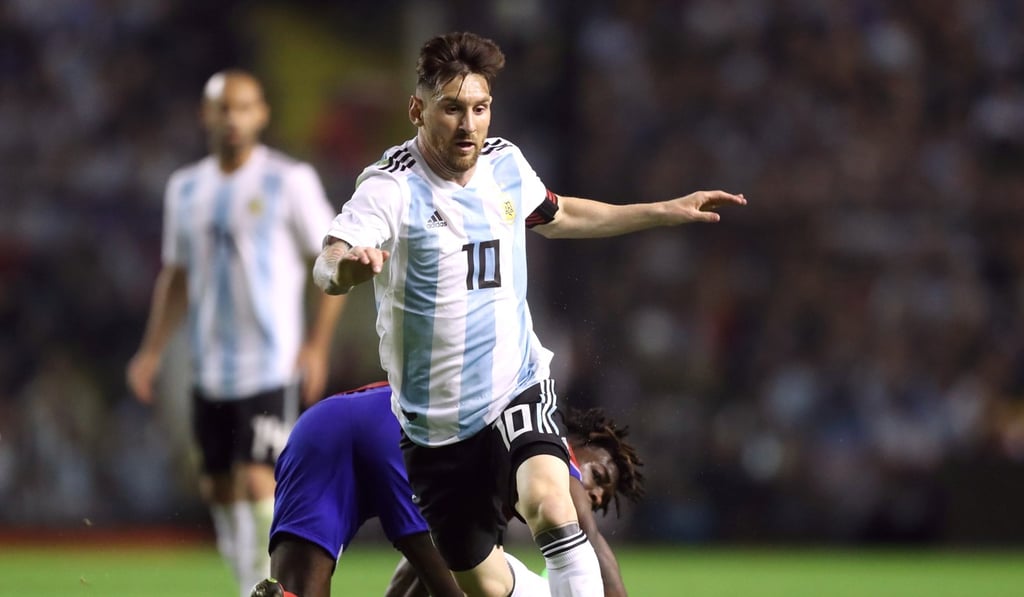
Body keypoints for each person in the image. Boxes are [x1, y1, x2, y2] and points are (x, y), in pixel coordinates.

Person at [312, 31, 744, 597]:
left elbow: (562, 215)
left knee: (549, 502)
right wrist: (349, 269)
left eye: (480, 108)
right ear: (418, 109)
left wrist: (664, 209)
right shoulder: (391, 187)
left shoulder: (505, 164)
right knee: (483, 584)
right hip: (434, 428)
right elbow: (328, 261)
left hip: (515, 385)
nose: (468, 125)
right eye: (452, 109)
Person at [126, 69, 345, 597]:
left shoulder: (288, 181)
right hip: (209, 366)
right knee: (219, 486)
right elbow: (175, 275)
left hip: (270, 364)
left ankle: (266, 586)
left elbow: (331, 261)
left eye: (243, 107)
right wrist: (150, 351)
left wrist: (316, 345)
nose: (233, 118)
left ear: (262, 114)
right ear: (206, 116)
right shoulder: (185, 189)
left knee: (256, 479)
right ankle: (249, 583)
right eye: (223, 108)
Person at [250, 381, 644, 597]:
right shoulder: (550, 449)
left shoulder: (491, 495)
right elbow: (588, 538)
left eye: (601, 501)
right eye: (601, 479)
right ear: (580, 443)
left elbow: (413, 576)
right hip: (405, 435)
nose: (593, 497)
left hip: (324, 425)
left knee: (295, 592)